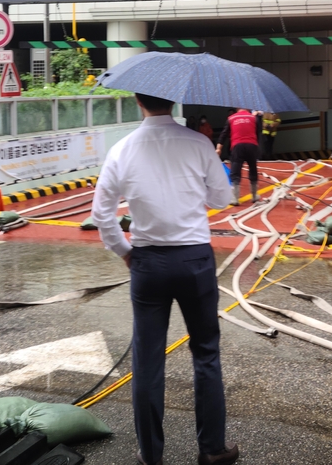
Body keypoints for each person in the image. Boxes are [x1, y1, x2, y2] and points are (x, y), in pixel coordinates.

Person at [92, 92, 239, 465]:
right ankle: (212, 450)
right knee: (206, 353)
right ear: (173, 101)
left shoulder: (121, 149)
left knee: (147, 359)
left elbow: (102, 214)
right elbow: (222, 199)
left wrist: (125, 252)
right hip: (194, 260)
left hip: (148, 263)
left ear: (139, 102)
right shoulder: (200, 142)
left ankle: (151, 455)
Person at [216, 108, 261, 206]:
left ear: (237, 109)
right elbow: (258, 133)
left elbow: (223, 135)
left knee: (235, 170)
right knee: (253, 168)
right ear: (248, 109)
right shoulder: (254, 118)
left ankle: (235, 198)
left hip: (237, 146)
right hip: (252, 145)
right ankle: (254, 196)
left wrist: (219, 148)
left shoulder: (231, 118)